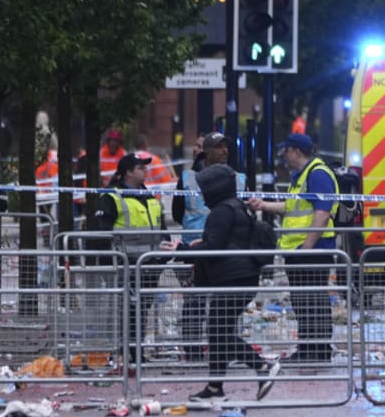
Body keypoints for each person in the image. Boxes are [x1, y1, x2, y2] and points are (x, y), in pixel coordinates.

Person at [176, 164, 279, 402]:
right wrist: (199, 245)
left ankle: (262, 367)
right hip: (241, 277)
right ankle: (215, 387)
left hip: (233, 279)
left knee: (218, 332)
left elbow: (214, 248)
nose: (202, 194)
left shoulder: (221, 211)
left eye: (204, 189)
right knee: (218, 331)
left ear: (214, 188)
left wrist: (182, 250)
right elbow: (224, 241)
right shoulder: (236, 207)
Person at [247, 133, 339, 364]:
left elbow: (322, 213)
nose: (283, 155)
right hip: (299, 250)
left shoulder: (317, 174)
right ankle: (307, 349)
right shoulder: (301, 176)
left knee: (313, 302)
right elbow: (291, 206)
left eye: (286, 150)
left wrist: (306, 248)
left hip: (312, 250)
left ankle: (318, 351)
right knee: (303, 302)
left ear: (297, 151)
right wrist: (263, 205)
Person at [173, 132, 244, 362]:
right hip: (194, 251)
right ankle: (193, 351)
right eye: (219, 147)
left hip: (225, 251)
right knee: (194, 302)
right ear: (207, 151)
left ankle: (224, 351)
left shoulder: (238, 178)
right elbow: (177, 212)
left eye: (226, 146)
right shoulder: (187, 178)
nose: (225, 151)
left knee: (224, 305)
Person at [94, 153, 168, 359]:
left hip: (149, 264)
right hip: (125, 265)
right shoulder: (112, 196)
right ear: (128, 172)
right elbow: (101, 233)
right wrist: (111, 262)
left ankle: (135, 352)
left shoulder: (149, 196)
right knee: (127, 310)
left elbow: (161, 228)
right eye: (140, 168)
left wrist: (162, 256)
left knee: (141, 309)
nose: (145, 171)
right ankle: (127, 353)